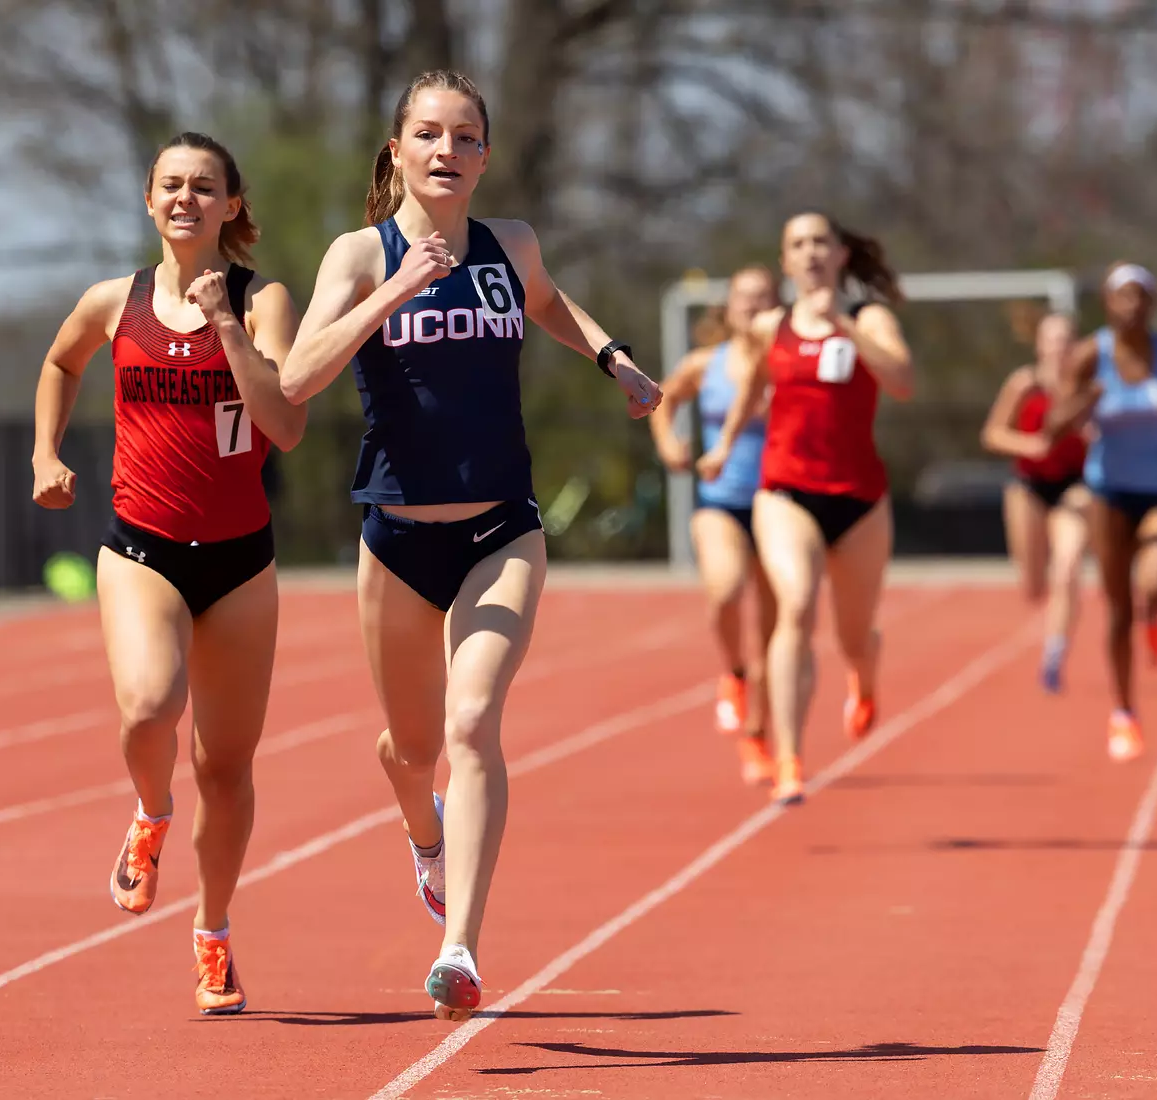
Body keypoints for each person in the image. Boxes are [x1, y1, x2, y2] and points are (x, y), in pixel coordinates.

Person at [277, 69, 661, 1021]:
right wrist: (393, 290)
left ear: (486, 154)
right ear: (398, 149)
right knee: (411, 750)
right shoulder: (358, 254)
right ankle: (424, 833)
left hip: (502, 528)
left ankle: (460, 948)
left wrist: (615, 360)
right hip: (397, 539)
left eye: (465, 137)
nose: (447, 151)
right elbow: (294, 378)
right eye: (429, 135)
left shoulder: (511, 245)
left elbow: (548, 301)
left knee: (472, 723)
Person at [30, 131, 305, 1015]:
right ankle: (150, 813)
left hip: (240, 563)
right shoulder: (115, 302)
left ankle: (213, 932)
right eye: (171, 185)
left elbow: (285, 426)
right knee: (149, 705)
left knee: (225, 769)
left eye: (204, 186)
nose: (186, 198)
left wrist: (227, 320)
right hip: (142, 547)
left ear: (233, 205)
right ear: (149, 202)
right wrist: (46, 450)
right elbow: (61, 360)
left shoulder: (267, 302)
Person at [698, 212, 915, 806]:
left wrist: (844, 323)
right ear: (785, 260)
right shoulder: (771, 326)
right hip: (785, 491)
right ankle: (791, 758)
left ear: (842, 255)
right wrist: (720, 447)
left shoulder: (869, 318)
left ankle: (864, 676)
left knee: (853, 635)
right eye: (798, 244)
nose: (811, 252)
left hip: (860, 500)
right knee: (795, 607)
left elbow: (901, 381)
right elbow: (749, 394)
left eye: (822, 241)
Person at [1038, 262, 1157, 761]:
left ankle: (1156, 611)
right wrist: (1084, 403)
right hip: (1108, 491)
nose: (1132, 307)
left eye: (1141, 297)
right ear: (1108, 304)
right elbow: (1052, 425)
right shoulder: (1090, 355)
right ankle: (1124, 712)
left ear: (1153, 304)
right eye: (1123, 298)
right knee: (1117, 609)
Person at [650, 265, 782, 784]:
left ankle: (757, 736)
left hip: (781, 506)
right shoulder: (707, 364)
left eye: (763, 298)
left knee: (775, 637)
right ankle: (733, 672)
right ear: (729, 308)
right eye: (744, 298)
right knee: (725, 592)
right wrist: (668, 442)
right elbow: (664, 399)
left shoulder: (790, 364)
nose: (752, 306)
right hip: (721, 501)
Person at [979, 312, 1092, 693]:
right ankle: (1043, 598)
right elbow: (992, 434)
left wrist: (1091, 433)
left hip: (1075, 485)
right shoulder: (1025, 384)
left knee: (1068, 565)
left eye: (1067, 339)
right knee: (1033, 585)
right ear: (1041, 345)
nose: (1060, 347)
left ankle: (1055, 652)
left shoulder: (1088, 390)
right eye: (1053, 339)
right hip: (1029, 484)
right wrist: (1032, 445)